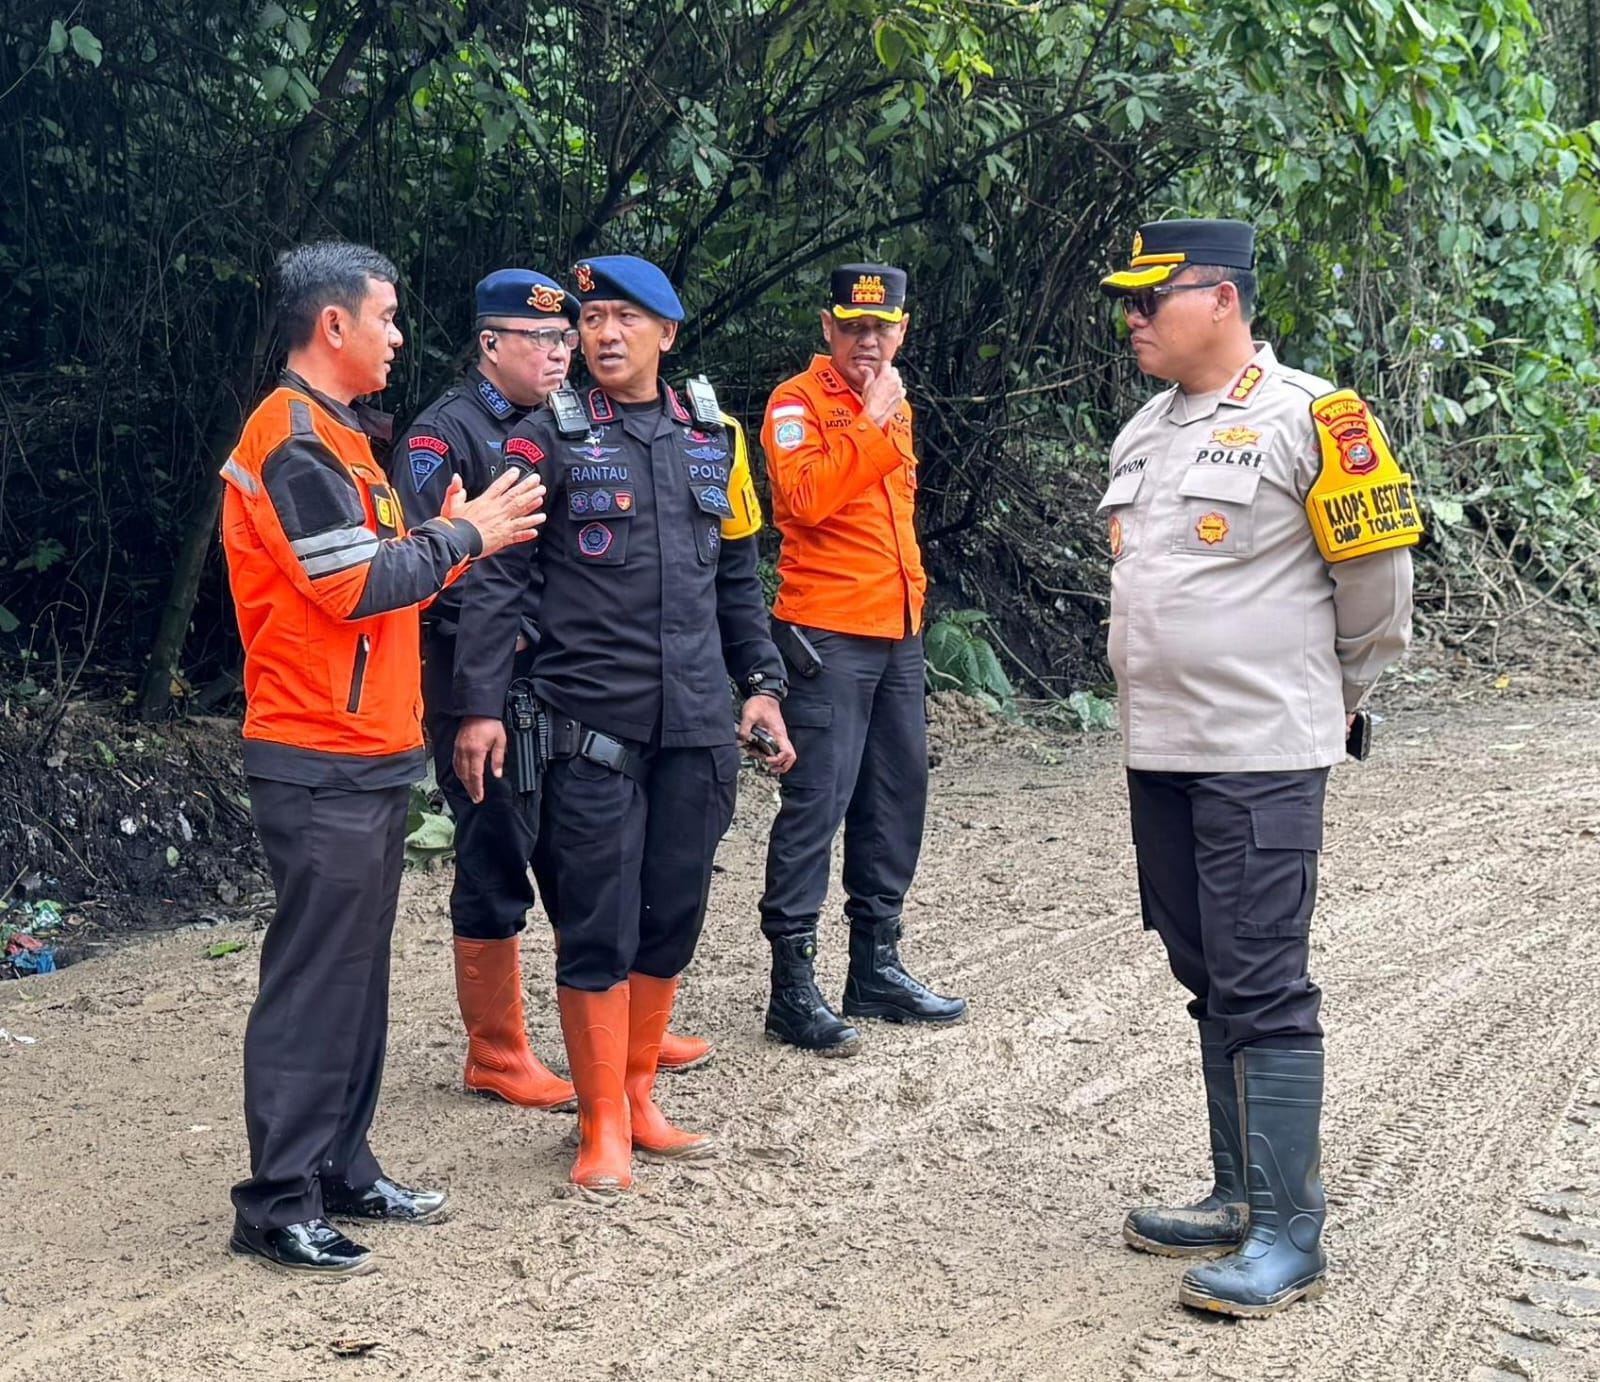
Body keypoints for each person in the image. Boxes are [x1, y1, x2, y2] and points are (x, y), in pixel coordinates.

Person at [1096, 219, 1421, 1316]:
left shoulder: (1315, 418)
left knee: (1264, 979)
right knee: (1208, 968)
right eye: (1127, 303)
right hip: (1165, 751)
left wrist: (1328, 704)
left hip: (1260, 753)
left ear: (1222, 300)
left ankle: (1292, 1228)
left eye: (1152, 300)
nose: (1132, 319)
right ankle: (1238, 1193)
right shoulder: (1144, 428)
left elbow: (1375, 592)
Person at [218, 240, 546, 1276]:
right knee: (317, 978)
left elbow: (391, 572)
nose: (400, 336)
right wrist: (471, 533)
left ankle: (341, 1166)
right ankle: (275, 1201)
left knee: (354, 978)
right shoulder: (295, 443)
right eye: (388, 317)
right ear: (333, 326)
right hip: (313, 751)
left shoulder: (346, 439)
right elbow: (355, 585)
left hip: (362, 746)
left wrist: (446, 539)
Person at [454, 254, 793, 1194]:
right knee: (597, 922)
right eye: (590, 319)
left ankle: (640, 1096)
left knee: (672, 912)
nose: (603, 335)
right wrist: (480, 706)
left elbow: (736, 580)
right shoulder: (543, 440)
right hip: (585, 728)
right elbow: (496, 581)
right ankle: (600, 1122)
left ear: (667, 334)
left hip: (694, 727)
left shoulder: (709, 437)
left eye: (624, 319)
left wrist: (760, 685)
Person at [393, 270, 719, 1109]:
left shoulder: (575, 428)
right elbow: (450, 569)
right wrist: (495, 678)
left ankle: (612, 1035)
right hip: (488, 674)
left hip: (565, 683)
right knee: (497, 849)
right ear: (489, 345)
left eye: (564, 339)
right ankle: (498, 1051)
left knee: (584, 857)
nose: (561, 352)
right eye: (541, 340)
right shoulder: (446, 434)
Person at [756, 263, 966, 1055]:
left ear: (902, 328)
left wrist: (880, 417)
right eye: (851, 326)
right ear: (826, 327)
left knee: (894, 796)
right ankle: (792, 983)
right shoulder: (796, 402)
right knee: (818, 800)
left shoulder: (892, 400)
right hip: (825, 633)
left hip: (896, 625)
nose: (866, 340)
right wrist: (872, 420)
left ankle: (875, 966)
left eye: (880, 327)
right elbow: (804, 499)